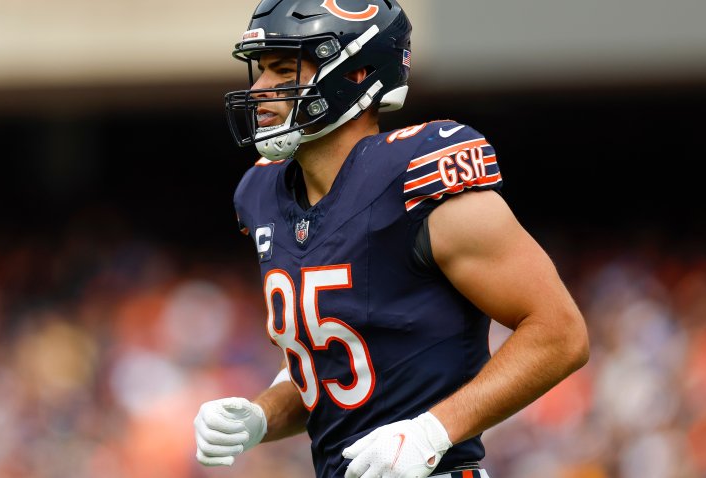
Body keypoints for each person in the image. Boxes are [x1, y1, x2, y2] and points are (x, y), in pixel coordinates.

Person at [193, 1, 590, 477]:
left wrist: (431, 432)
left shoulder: (417, 173)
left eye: (284, 70)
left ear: (357, 73)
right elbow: (336, 371)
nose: (260, 89)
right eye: (261, 71)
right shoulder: (262, 193)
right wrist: (260, 416)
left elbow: (560, 334)